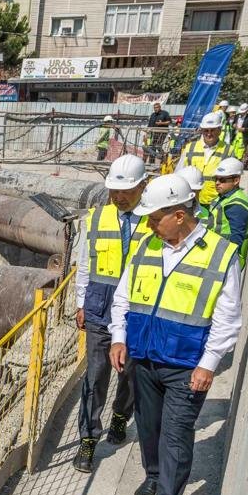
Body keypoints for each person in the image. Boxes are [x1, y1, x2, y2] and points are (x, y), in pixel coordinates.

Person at [109, 173, 244, 495]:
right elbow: (123, 298)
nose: (150, 226)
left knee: (176, 435)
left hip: (186, 367)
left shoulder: (220, 254)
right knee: (149, 428)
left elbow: (228, 318)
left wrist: (209, 363)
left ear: (180, 215)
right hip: (143, 359)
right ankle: (153, 476)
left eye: (155, 219)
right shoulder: (148, 247)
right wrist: (119, 338)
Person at [71, 154, 149, 473]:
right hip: (100, 309)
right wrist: (80, 302)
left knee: (131, 373)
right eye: (114, 191)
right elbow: (85, 263)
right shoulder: (96, 218)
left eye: (125, 191)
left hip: (137, 312)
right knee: (95, 375)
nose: (118, 197)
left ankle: (120, 415)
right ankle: (88, 440)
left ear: (143, 186)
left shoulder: (154, 220)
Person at [174, 110, 233, 204]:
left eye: (212, 130)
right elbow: (178, 174)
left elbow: (231, 181)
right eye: (206, 130)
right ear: (201, 130)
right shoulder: (190, 148)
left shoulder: (228, 150)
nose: (209, 134)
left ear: (219, 130)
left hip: (214, 203)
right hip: (191, 201)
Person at [208, 158, 248, 266]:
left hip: (225, 257)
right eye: (216, 179)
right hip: (217, 251)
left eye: (222, 180)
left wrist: (229, 261)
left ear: (236, 180)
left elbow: (236, 237)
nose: (217, 183)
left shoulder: (236, 204)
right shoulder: (225, 197)